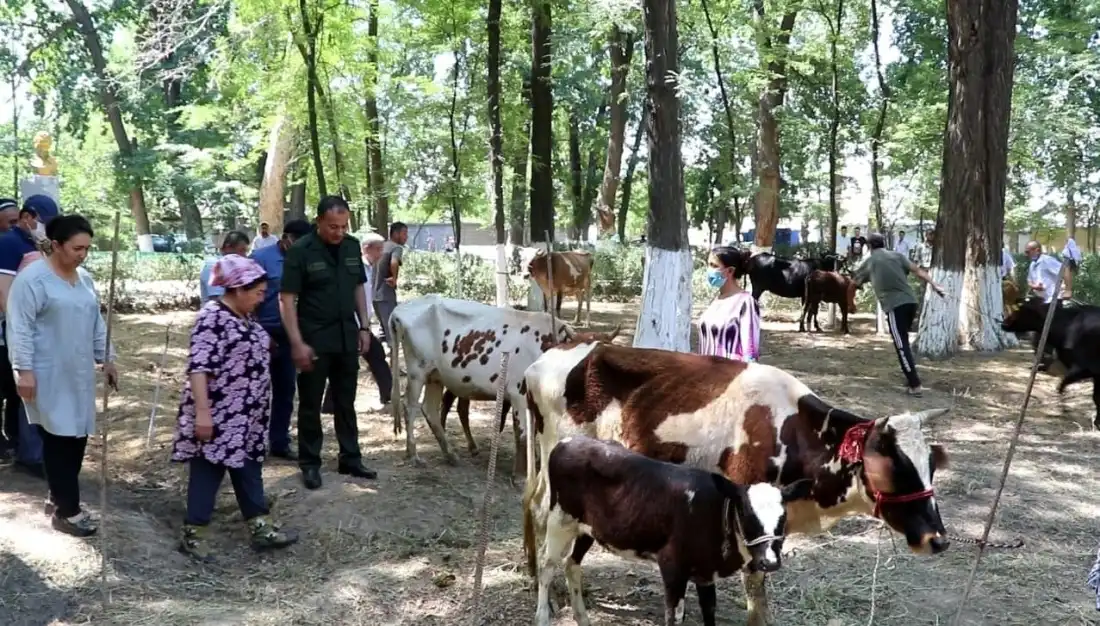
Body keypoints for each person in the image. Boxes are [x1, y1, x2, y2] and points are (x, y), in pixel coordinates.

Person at [172, 255, 298, 561]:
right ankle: (193, 535)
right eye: (257, 292)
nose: (261, 298)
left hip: (247, 417)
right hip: (220, 415)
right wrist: (204, 414)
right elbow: (199, 368)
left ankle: (260, 527)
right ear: (238, 288)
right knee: (208, 470)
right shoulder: (212, 317)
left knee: (249, 469)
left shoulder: (246, 317)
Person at [6, 214, 119, 536]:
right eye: (76, 248)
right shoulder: (33, 280)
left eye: (87, 249)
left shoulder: (84, 279)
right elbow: (20, 328)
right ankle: (67, 512)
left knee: (77, 436)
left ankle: (57, 496)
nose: (83, 255)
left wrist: (107, 357)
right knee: (58, 438)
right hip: (46, 372)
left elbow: (96, 321)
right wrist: (24, 371)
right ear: (56, 245)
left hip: (78, 372)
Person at [280, 196, 377, 490]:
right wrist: (296, 342)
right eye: (333, 226)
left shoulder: (351, 246)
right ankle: (310, 463)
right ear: (319, 221)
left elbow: (358, 287)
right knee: (310, 403)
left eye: (344, 226)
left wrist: (365, 326)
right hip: (314, 338)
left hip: (347, 335)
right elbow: (286, 300)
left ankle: (350, 457)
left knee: (346, 401)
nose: (339, 232)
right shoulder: (301, 251)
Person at [0, 194, 60, 477]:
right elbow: (4, 293)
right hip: (20, 332)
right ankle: (29, 455)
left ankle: (28, 448)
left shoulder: (39, 245)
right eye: (43, 222)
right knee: (25, 388)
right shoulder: (8, 243)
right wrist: (21, 328)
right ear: (28, 217)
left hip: (42, 331)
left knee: (30, 392)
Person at [250, 219, 314, 460]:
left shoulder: (305, 259)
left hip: (289, 334)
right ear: (286, 238)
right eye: (298, 242)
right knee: (256, 390)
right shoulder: (260, 258)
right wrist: (259, 333)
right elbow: (245, 297)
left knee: (285, 390)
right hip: (261, 332)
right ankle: (251, 442)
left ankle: (279, 441)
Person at [854, 233, 945, 397]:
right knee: (904, 342)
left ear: (869, 246)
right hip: (911, 303)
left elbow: (853, 282)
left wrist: (850, 302)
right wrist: (935, 285)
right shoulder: (897, 255)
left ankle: (915, 385)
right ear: (883, 243)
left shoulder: (869, 261)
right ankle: (911, 376)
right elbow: (918, 271)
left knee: (901, 346)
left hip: (895, 307)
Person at [698, 246, 760, 361]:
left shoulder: (746, 302)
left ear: (730, 271)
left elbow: (750, 352)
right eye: (708, 264)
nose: (709, 270)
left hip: (731, 371)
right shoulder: (716, 300)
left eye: (714, 266)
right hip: (705, 370)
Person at [1024, 240, 1066, 369]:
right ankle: (1043, 360)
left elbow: (1064, 270)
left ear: (1037, 250)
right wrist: (1034, 286)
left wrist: (1066, 288)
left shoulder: (1047, 261)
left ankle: (1051, 361)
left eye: (1028, 251)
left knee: (1048, 331)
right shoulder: (1033, 264)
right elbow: (1029, 281)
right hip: (1041, 301)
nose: (1026, 254)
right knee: (1035, 332)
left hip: (1053, 301)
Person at [373, 221, 408, 345]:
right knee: (392, 333)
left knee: (384, 330)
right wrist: (394, 278)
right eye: (404, 234)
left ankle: (378, 354)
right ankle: (393, 356)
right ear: (396, 234)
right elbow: (394, 262)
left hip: (374, 296)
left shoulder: (381, 247)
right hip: (386, 294)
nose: (406, 237)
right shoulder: (396, 248)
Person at [199, 231, 249, 303]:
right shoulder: (213, 266)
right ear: (228, 247)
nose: (245, 256)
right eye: (242, 250)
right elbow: (217, 300)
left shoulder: (231, 267)